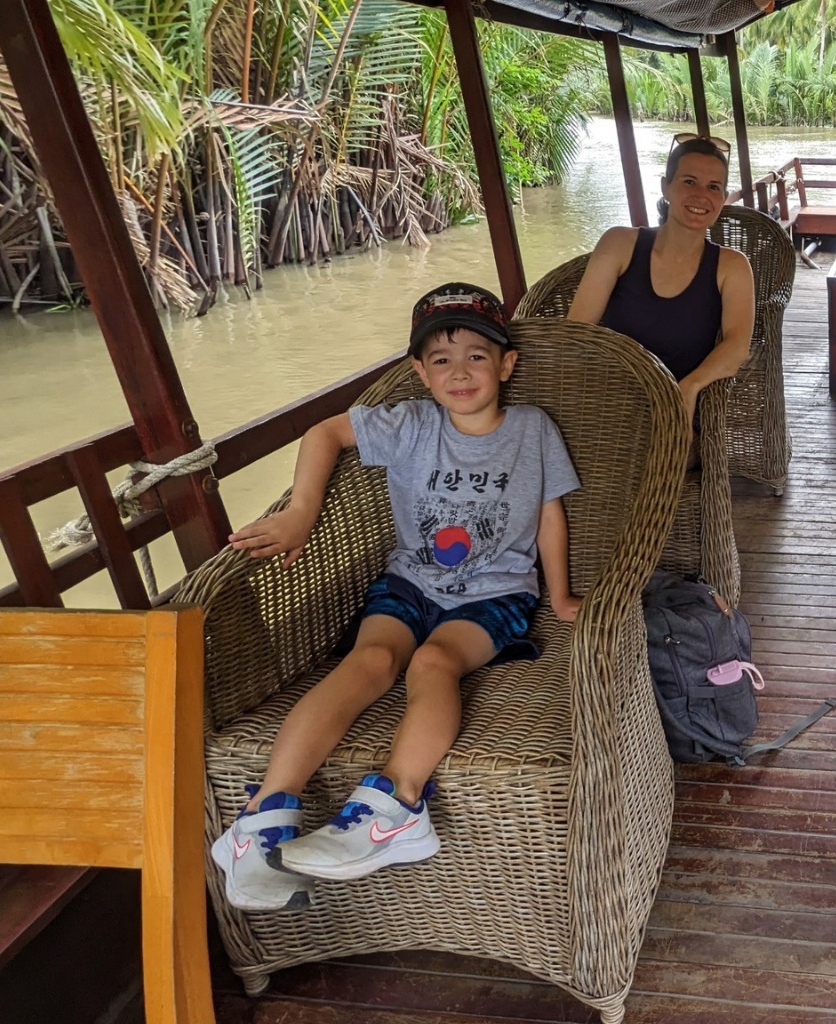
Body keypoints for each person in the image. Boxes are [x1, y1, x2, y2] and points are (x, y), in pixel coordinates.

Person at [209, 283, 583, 911]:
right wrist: (301, 511)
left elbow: (549, 513)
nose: (459, 371)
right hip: (409, 583)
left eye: (476, 355)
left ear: (506, 363)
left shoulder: (531, 429)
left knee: (434, 663)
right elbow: (325, 432)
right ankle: (261, 822)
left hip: (494, 597)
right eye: (440, 359)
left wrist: (563, 595)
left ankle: (397, 808)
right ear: (419, 371)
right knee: (372, 662)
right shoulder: (409, 424)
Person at [570, 135, 756, 423]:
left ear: (722, 198)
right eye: (689, 182)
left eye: (713, 187)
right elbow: (577, 331)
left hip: (678, 411)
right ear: (665, 187)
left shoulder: (732, 267)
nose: (700, 196)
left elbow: (737, 346)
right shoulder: (619, 243)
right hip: (611, 402)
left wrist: (689, 387)